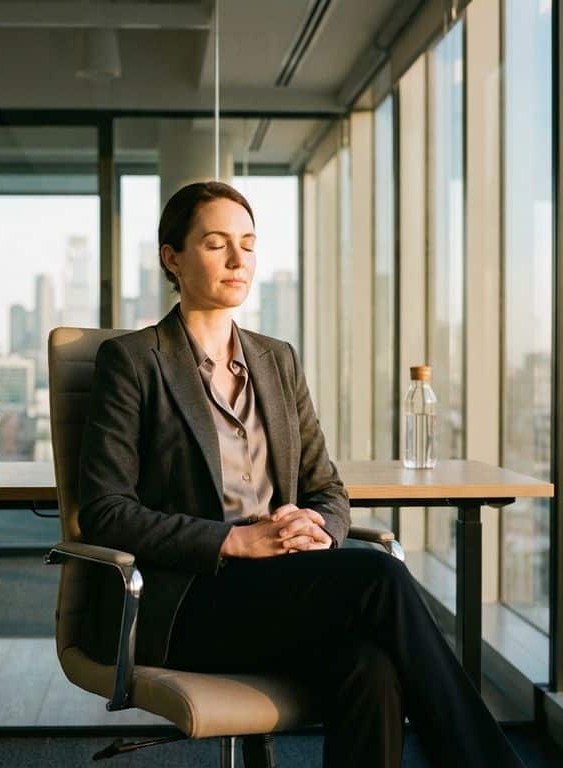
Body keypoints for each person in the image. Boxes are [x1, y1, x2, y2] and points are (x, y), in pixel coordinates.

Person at [78, 181, 523, 768]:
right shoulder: (134, 361)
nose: (239, 260)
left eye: (249, 244)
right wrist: (235, 539)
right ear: (172, 257)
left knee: (372, 666)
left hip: (286, 588)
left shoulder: (276, 359)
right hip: (189, 600)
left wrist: (316, 524)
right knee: (378, 576)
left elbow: (327, 488)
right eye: (216, 244)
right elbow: (105, 509)